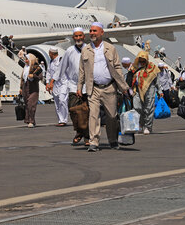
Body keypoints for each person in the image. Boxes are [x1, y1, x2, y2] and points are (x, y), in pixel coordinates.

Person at [77, 23, 130, 152]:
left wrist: (123, 86)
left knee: (111, 116)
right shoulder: (86, 49)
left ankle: (112, 140)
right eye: (90, 31)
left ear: (101, 33)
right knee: (93, 115)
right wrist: (79, 87)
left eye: (95, 31)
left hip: (109, 87)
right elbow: (82, 70)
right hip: (93, 88)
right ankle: (94, 142)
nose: (92, 33)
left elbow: (117, 67)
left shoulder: (110, 48)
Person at [50, 27, 88, 144]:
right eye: (76, 36)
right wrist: (52, 81)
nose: (78, 38)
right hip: (73, 85)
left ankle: (87, 136)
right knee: (73, 110)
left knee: (88, 112)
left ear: (83, 36)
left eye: (80, 36)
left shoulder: (89, 49)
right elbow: (62, 67)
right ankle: (79, 130)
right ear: (73, 38)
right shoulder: (69, 50)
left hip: (88, 85)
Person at [132, 51, 160, 135]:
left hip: (150, 90)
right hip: (137, 90)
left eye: (144, 61)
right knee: (137, 108)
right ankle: (140, 124)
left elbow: (157, 81)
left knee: (148, 109)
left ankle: (147, 126)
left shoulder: (152, 67)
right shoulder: (134, 68)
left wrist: (160, 91)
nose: (142, 63)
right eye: (140, 61)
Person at [46, 47, 68, 126]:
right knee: (57, 103)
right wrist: (47, 83)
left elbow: (59, 72)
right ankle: (60, 120)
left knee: (62, 100)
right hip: (55, 85)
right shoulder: (51, 62)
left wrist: (51, 82)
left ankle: (64, 120)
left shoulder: (61, 60)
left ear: (51, 53)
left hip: (63, 84)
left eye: (49, 53)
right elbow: (48, 72)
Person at [20, 53, 43, 127]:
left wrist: (33, 75)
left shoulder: (36, 67)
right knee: (27, 104)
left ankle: (31, 121)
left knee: (31, 104)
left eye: (27, 59)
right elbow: (22, 78)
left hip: (33, 88)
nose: (26, 61)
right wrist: (20, 88)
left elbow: (40, 77)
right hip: (25, 87)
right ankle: (29, 120)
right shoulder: (25, 67)